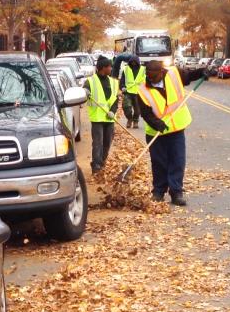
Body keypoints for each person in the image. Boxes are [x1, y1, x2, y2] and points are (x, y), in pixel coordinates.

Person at [136, 60, 206, 206]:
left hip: (177, 128)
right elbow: (146, 114)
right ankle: (158, 192)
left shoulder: (173, 74)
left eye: (154, 76)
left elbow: (189, 76)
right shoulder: (142, 90)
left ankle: (176, 192)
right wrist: (157, 124)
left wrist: (202, 73)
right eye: (148, 76)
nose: (151, 79)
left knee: (177, 160)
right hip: (156, 131)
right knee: (159, 162)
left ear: (162, 72)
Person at [84, 56, 119, 174]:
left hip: (109, 118)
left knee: (107, 142)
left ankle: (102, 161)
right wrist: (85, 92)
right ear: (103, 68)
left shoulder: (114, 82)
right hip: (97, 118)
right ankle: (96, 165)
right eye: (109, 66)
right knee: (98, 143)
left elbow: (115, 100)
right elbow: (85, 91)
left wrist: (113, 112)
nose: (111, 68)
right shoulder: (90, 81)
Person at [120, 55, 145, 128]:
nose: (133, 63)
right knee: (126, 107)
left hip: (138, 93)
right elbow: (122, 80)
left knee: (137, 109)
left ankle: (135, 121)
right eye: (132, 62)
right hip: (128, 92)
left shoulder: (143, 70)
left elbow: (146, 80)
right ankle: (129, 119)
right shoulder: (126, 69)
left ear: (137, 62)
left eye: (135, 62)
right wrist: (122, 87)